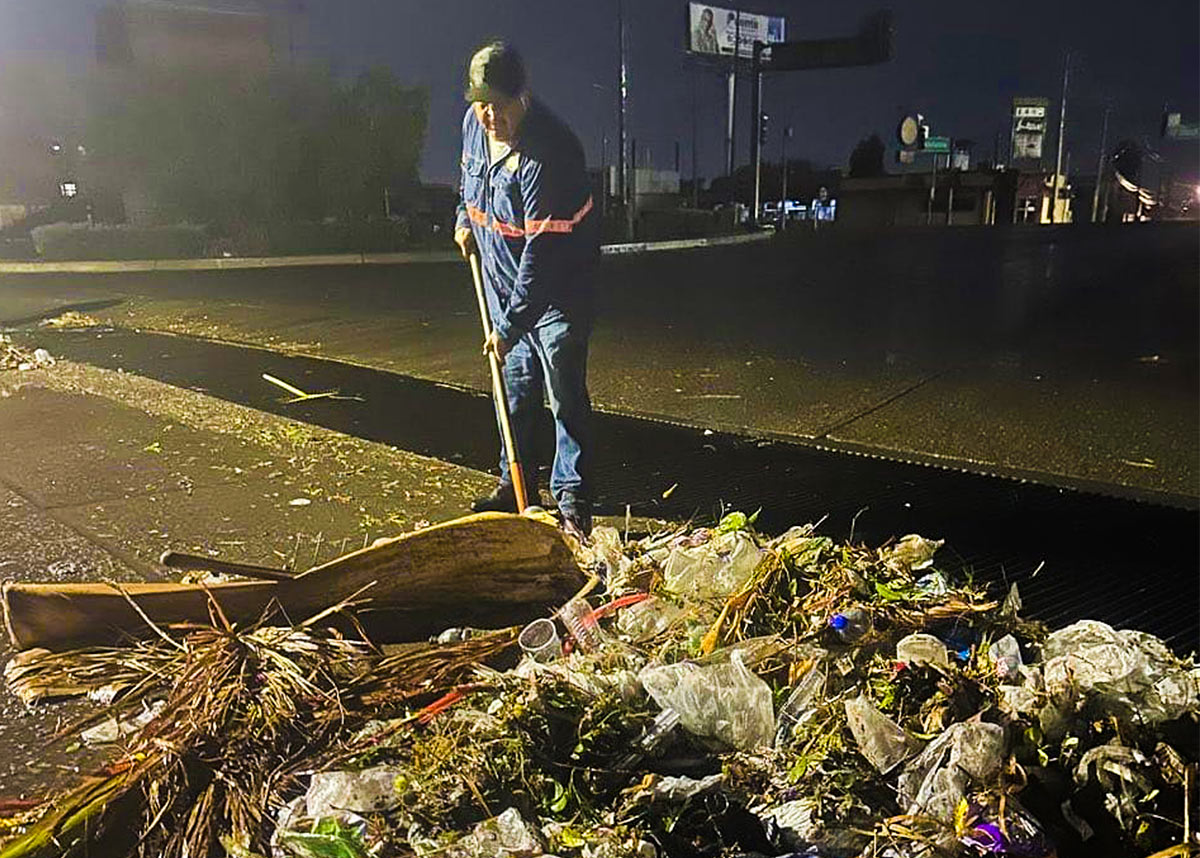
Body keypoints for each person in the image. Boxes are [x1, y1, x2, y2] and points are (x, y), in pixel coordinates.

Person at [453, 41, 598, 538]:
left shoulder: (551, 151)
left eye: (499, 105)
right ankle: (515, 486)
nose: (490, 116)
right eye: (481, 104)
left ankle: (573, 501)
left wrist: (511, 325)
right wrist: (463, 220)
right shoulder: (473, 126)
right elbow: (467, 186)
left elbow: (543, 254)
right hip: (501, 285)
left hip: (557, 296)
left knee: (563, 397)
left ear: (523, 97)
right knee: (512, 393)